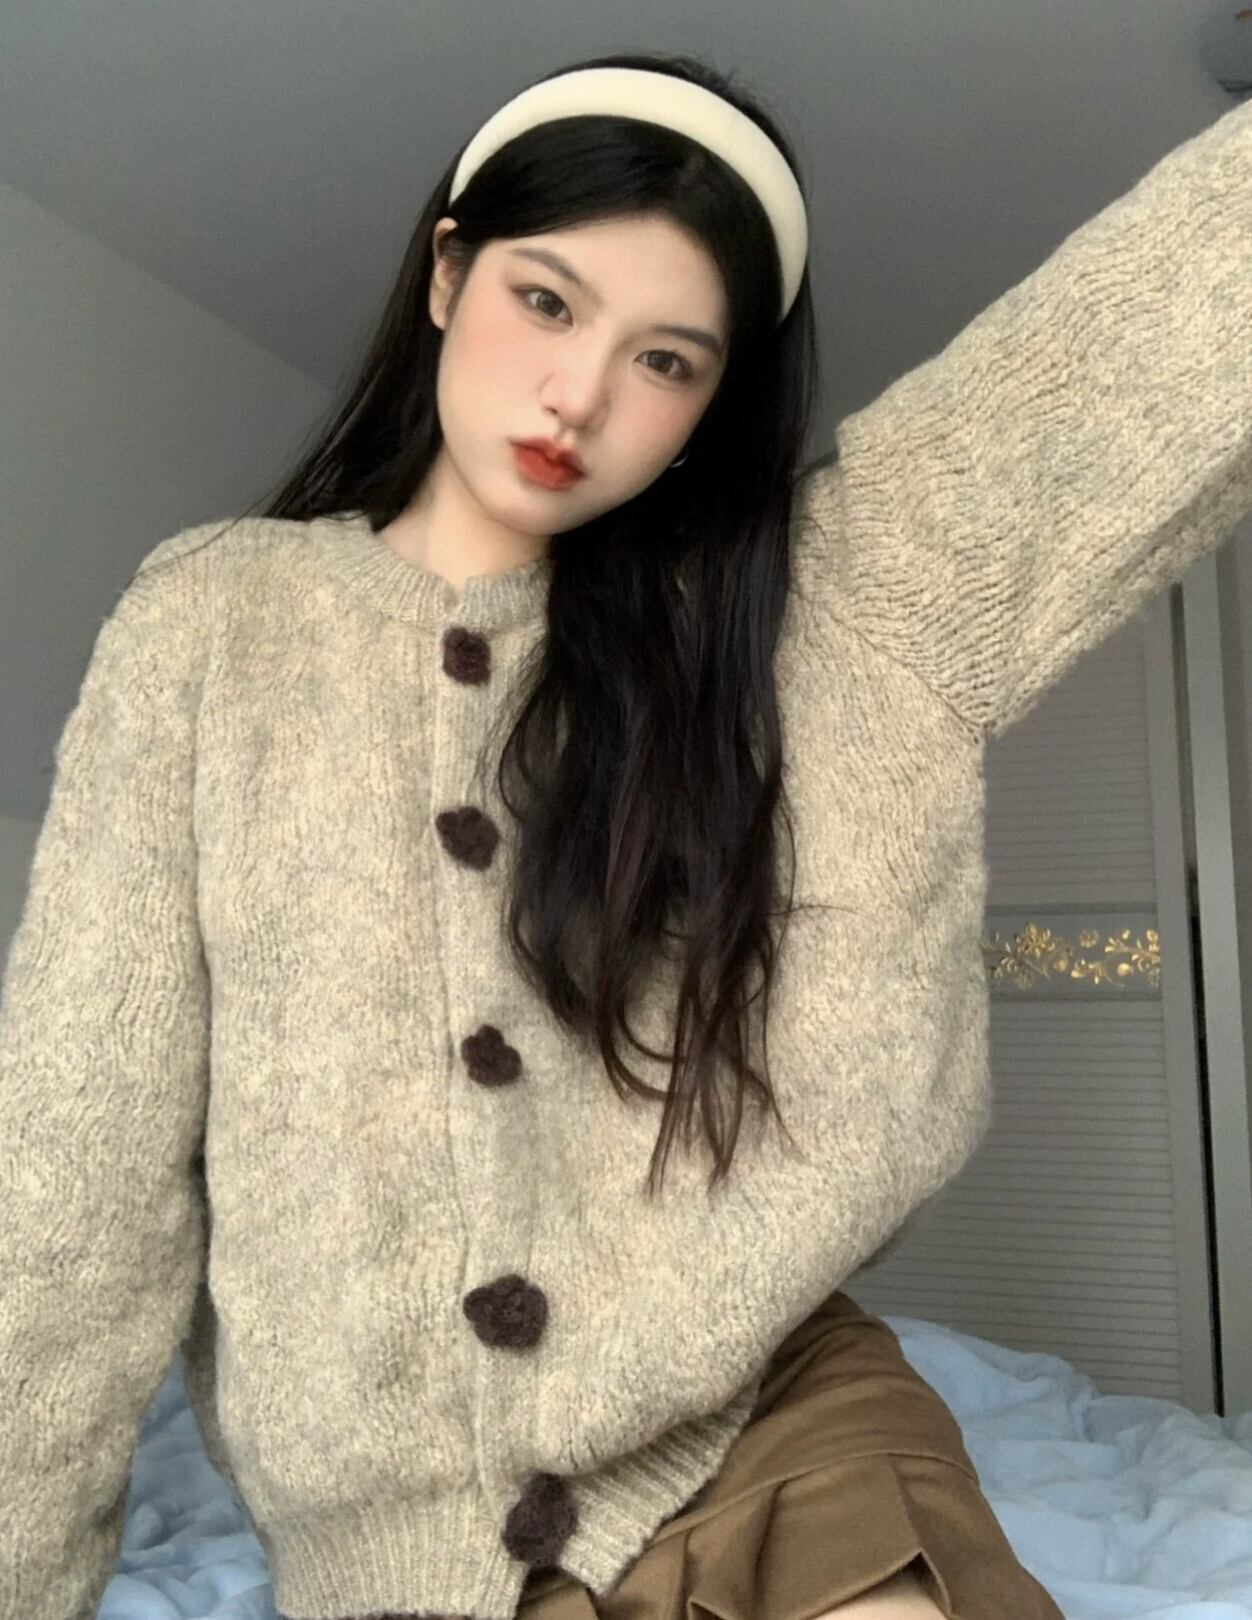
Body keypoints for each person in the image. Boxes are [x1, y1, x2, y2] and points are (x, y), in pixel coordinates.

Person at [2, 45, 1249, 1620]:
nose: (581, 396)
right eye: (547, 300)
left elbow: (1141, 353)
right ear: (447, 273)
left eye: (667, 359)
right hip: (399, 1551)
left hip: (770, 1431)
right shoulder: (212, 623)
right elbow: (76, 1167)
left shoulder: (811, 613)